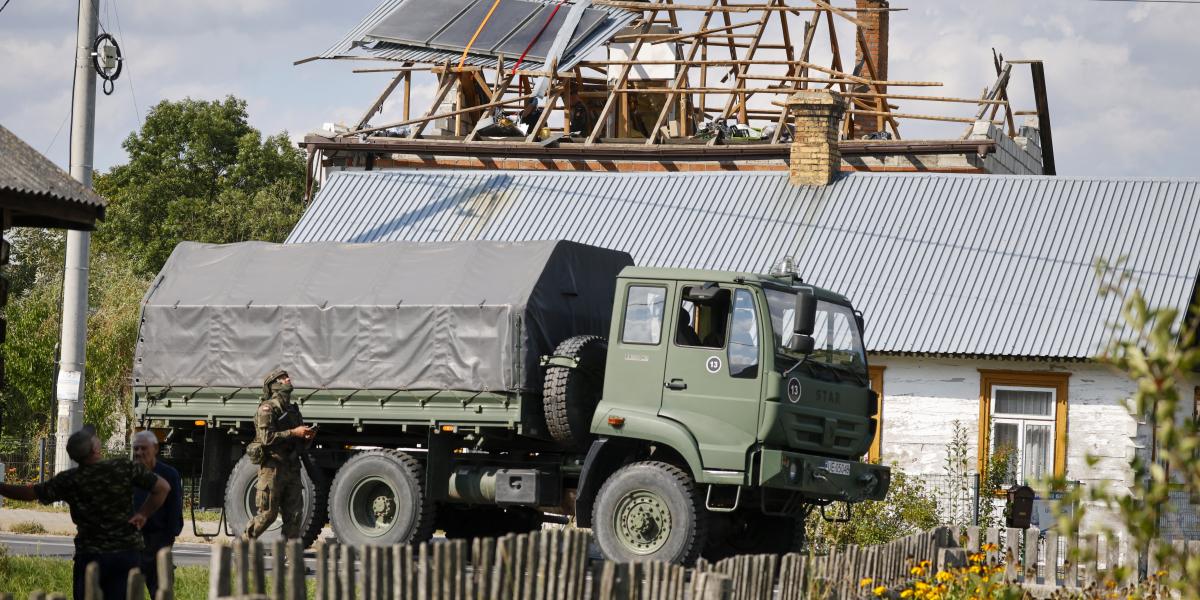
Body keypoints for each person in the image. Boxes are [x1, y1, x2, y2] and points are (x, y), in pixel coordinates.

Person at [0, 425, 169, 600]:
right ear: (95, 449)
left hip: (89, 556)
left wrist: (1, 487)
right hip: (125, 554)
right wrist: (143, 513)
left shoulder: (68, 480)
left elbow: (29, 494)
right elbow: (163, 488)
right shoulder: (123, 467)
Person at [244, 369, 315, 541]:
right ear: (274, 385)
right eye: (283, 378)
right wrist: (293, 432)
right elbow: (266, 439)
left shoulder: (292, 409)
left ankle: (291, 562)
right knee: (268, 514)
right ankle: (242, 545)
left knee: (295, 516)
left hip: (291, 466)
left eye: (287, 377)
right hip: (272, 468)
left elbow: (297, 437)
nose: (288, 379)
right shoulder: (267, 408)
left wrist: (306, 436)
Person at [131, 430, 183, 596]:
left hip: (158, 542)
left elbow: (175, 510)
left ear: (155, 449)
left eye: (143, 448)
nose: (139, 452)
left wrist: (168, 539)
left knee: (161, 591)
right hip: (133, 543)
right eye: (136, 448)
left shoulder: (169, 474)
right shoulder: (128, 473)